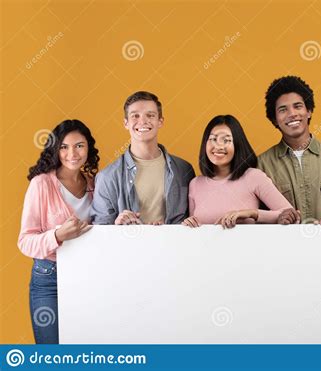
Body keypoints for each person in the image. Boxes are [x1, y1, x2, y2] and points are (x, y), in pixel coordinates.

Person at [18, 119, 99, 344]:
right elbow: (25, 241)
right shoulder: (41, 184)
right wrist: (57, 235)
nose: (72, 153)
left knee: (86, 351)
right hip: (49, 278)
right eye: (64, 147)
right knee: (51, 353)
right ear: (55, 149)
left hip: (88, 275)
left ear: (88, 148)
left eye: (79, 145)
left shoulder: (96, 184)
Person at [258, 76, 321, 225]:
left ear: (308, 111)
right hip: (282, 247)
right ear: (275, 119)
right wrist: (276, 219)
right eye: (283, 109)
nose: (292, 114)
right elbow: (257, 217)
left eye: (298, 106)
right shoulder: (260, 165)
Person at [91, 91, 195, 225]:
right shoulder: (107, 177)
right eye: (135, 116)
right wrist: (117, 227)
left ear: (160, 121)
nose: (143, 121)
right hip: (129, 246)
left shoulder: (184, 169)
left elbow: (194, 217)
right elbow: (100, 233)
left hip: (173, 245)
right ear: (125, 123)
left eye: (150, 115)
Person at [182, 115, 294, 228]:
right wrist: (189, 223)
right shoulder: (195, 184)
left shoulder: (253, 177)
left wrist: (252, 213)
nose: (219, 146)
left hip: (247, 245)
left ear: (237, 144)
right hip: (206, 246)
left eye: (226, 140)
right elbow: (195, 233)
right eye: (213, 139)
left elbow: (290, 214)